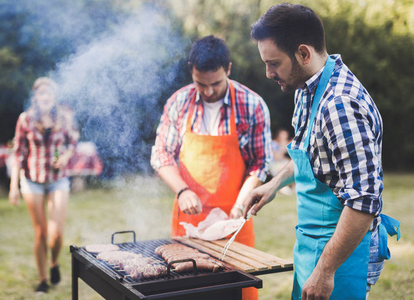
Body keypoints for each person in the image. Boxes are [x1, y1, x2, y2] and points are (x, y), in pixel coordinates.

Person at [243, 3, 401, 299]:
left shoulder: (339, 105)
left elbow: (364, 201)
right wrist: (273, 185)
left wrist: (326, 271)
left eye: (274, 63)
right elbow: (309, 154)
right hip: (312, 245)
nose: (268, 73)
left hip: (341, 257)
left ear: (303, 53)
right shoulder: (307, 88)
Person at [151, 35, 272, 300]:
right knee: (187, 294)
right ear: (190, 69)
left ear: (228, 68)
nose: (207, 91)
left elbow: (260, 163)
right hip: (188, 223)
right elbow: (161, 155)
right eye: (200, 83)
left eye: (215, 83)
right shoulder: (178, 103)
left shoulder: (251, 106)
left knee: (237, 294)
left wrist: (240, 206)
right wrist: (182, 191)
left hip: (232, 221)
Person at [8, 77, 79, 294]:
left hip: (58, 179)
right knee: (41, 232)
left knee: (56, 233)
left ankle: (54, 262)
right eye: (41, 93)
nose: (45, 97)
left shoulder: (64, 118)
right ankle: (42, 280)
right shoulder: (25, 119)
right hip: (32, 180)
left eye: (48, 93)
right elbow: (18, 152)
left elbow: (73, 142)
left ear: (54, 96)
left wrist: (66, 156)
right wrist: (14, 186)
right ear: (35, 97)